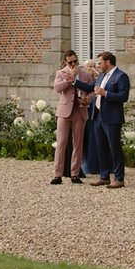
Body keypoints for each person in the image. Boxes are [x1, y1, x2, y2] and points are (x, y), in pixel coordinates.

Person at [87, 51, 130, 188]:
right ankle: (104, 176)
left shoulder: (121, 76)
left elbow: (123, 96)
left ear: (108, 62)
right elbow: (91, 87)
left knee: (114, 148)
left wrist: (105, 93)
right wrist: (74, 82)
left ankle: (119, 178)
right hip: (98, 116)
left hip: (112, 118)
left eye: (100, 62)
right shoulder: (101, 76)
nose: (98, 65)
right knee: (101, 147)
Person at [51, 49, 94, 184]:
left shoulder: (86, 74)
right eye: (70, 62)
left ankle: (75, 174)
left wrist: (87, 99)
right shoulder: (60, 73)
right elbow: (57, 88)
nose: (73, 64)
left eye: (75, 61)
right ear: (65, 62)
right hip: (64, 111)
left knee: (78, 143)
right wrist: (71, 79)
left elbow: (93, 91)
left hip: (79, 111)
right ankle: (57, 174)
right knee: (61, 143)